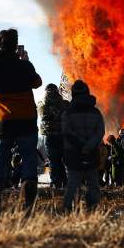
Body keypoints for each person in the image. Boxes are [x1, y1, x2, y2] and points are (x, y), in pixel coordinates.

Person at [0, 29, 43, 215]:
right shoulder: (24, 66)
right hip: (26, 120)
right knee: (28, 159)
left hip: (3, 121)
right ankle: (28, 206)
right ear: (15, 44)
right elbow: (37, 82)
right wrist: (25, 62)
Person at [61, 80, 105, 212]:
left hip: (73, 153)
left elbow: (67, 132)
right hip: (91, 153)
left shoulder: (67, 113)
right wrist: (89, 146)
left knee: (73, 183)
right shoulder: (96, 113)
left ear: (73, 94)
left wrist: (80, 145)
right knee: (93, 182)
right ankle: (94, 209)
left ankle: (68, 209)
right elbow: (100, 132)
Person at [39, 84, 69, 189]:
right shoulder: (64, 104)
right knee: (64, 160)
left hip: (49, 136)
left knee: (53, 160)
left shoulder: (42, 105)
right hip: (63, 135)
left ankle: (55, 182)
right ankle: (66, 182)